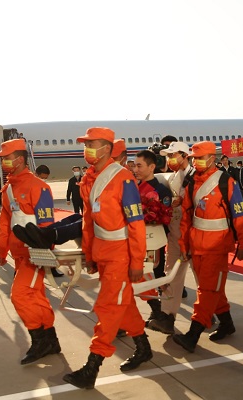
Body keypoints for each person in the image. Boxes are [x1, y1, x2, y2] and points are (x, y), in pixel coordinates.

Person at [63, 127, 152, 389]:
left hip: (120, 255)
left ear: (106, 149)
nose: (86, 149)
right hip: (102, 253)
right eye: (85, 144)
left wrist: (137, 262)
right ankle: (144, 348)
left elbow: (136, 223)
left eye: (92, 144)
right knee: (124, 304)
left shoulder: (122, 178)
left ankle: (92, 366)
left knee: (108, 307)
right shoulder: (90, 178)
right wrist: (90, 253)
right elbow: (88, 221)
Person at [172, 141, 243, 353]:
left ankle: (193, 334)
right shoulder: (191, 184)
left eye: (201, 158)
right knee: (213, 288)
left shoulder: (226, 182)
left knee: (207, 290)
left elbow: (241, 215)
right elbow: (186, 218)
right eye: (194, 158)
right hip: (197, 245)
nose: (197, 162)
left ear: (212, 159)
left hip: (217, 246)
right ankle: (227, 323)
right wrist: (184, 244)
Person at [0, 139, 61, 365]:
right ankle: (50, 340)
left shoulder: (38, 187)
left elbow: (46, 226)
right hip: (18, 255)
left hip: (34, 253)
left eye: (6, 158)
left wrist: (43, 254)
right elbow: (4, 223)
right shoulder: (8, 189)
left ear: (20, 159)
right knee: (37, 297)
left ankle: (39, 339)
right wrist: (2, 250)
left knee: (20, 295)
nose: (3, 162)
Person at [146, 141, 194, 335]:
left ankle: (216, 315)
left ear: (185, 155)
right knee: (170, 274)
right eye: (168, 156)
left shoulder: (194, 177)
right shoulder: (173, 176)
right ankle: (166, 317)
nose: (169, 159)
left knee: (203, 279)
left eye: (173, 155)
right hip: (176, 234)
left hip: (192, 236)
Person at [133, 149, 172, 326]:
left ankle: (164, 313)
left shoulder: (161, 190)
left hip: (154, 241)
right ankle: (158, 312)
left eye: (139, 165)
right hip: (137, 240)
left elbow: (165, 217)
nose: (136, 169)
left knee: (155, 275)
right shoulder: (134, 188)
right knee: (144, 277)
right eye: (134, 165)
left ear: (151, 167)